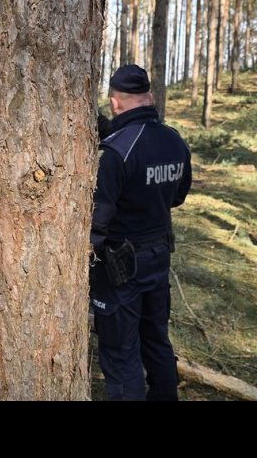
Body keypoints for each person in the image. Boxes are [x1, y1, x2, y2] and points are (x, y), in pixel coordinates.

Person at [90, 64, 192, 401]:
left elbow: (97, 224)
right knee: (156, 341)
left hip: (120, 269)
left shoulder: (115, 154)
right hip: (158, 258)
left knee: (121, 356)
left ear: (115, 103)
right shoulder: (175, 141)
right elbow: (177, 196)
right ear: (148, 96)